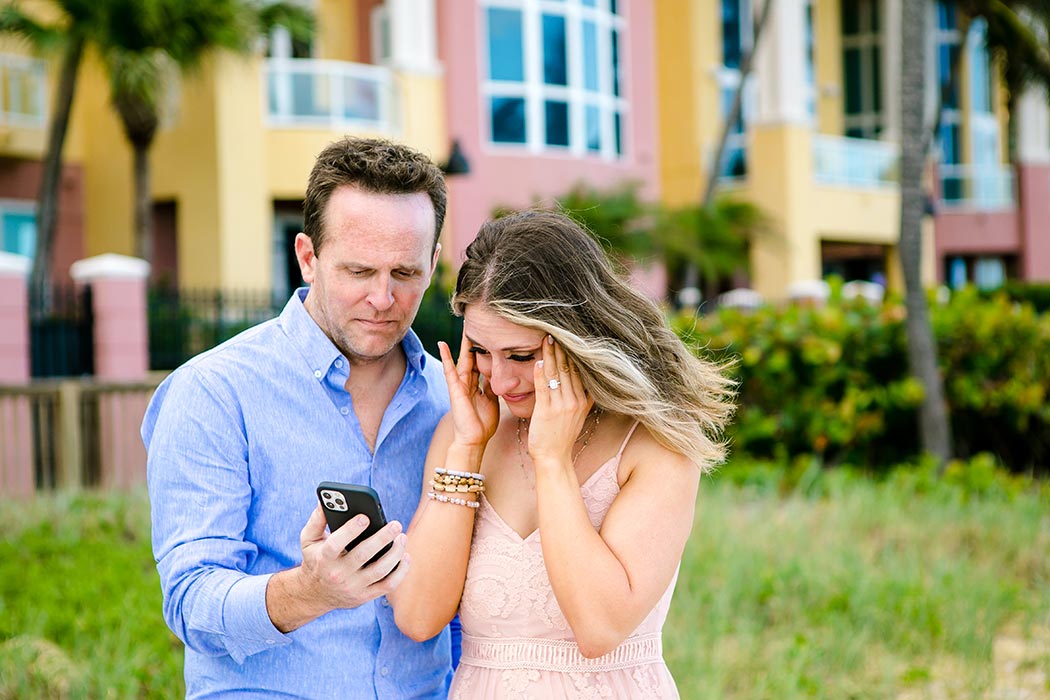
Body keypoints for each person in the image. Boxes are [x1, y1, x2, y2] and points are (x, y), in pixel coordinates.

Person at [142, 136, 454, 699]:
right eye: (359, 270)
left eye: (404, 273)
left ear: (433, 264)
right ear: (307, 257)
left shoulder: (453, 404)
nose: (383, 298)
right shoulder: (214, 392)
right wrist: (308, 591)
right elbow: (189, 602)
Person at [388, 210, 735, 698]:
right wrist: (466, 449)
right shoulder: (465, 431)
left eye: (522, 356)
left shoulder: (654, 442)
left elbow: (599, 627)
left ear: (579, 335)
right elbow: (420, 616)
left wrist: (551, 460)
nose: (500, 380)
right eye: (482, 352)